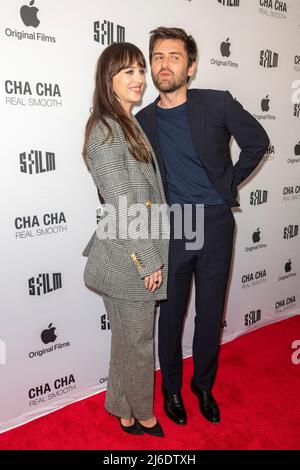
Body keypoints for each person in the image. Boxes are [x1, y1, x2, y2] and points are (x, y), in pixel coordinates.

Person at [136, 27, 269, 426]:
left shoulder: (216, 104)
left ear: (190, 67)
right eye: (158, 56)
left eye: (174, 57)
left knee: (210, 314)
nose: (165, 64)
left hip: (214, 223)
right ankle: (172, 389)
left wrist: (228, 183)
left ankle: (203, 386)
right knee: (171, 313)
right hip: (173, 225)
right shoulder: (142, 121)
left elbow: (257, 141)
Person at [82, 42, 170, 437]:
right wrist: (149, 260)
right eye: (128, 72)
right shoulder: (105, 128)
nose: (140, 78)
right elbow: (121, 202)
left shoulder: (126, 122)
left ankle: (121, 406)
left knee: (125, 337)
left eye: (140, 70)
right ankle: (143, 412)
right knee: (137, 341)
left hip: (127, 252)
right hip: (127, 259)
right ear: (109, 79)